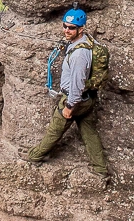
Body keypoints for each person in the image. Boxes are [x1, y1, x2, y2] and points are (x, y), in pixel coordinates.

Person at [24, 9, 109, 179]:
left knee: (55, 130)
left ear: (81, 29)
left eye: (71, 28)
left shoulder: (79, 55)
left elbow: (77, 84)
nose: (66, 30)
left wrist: (69, 106)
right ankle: (100, 169)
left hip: (74, 99)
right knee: (89, 132)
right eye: (65, 26)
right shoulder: (86, 42)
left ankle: (34, 157)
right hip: (88, 98)